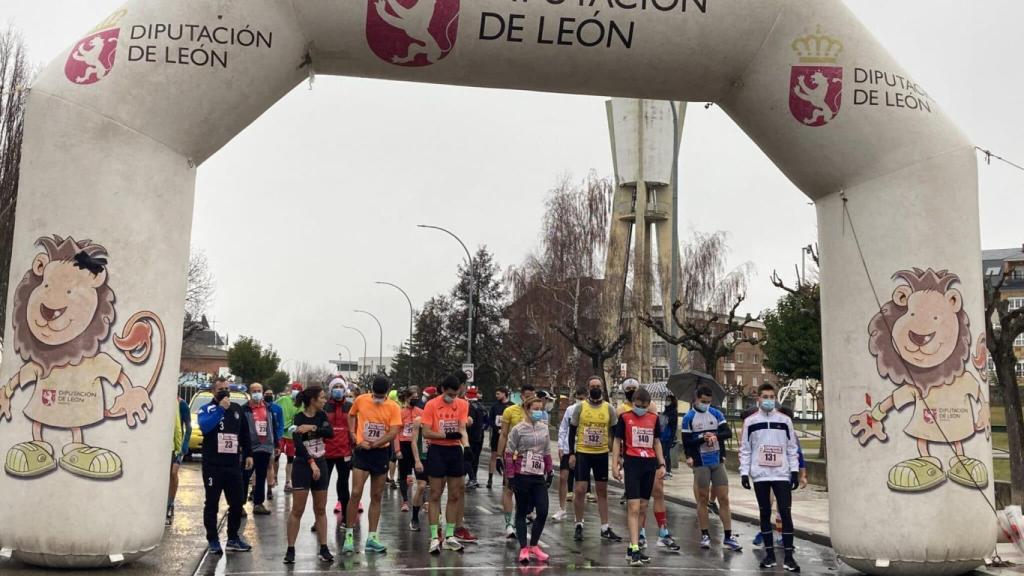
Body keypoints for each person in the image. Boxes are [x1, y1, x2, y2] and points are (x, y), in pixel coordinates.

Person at [740, 383, 801, 573]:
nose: (768, 400)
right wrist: (744, 472)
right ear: (758, 398)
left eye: (771, 396)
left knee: (785, 512)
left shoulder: (785, 420)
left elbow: (792, 448)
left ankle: (789, 557)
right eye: (765, 396)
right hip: (760, 475)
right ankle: (769, 555)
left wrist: (795, 471)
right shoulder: (750, 422)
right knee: (764, 513)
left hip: (781, 474)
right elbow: (745, 449)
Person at [344, 375, 402, 555]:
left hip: (379, 452)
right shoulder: (361, 400)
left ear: (386, 393)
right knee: (355, 493)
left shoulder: (393, 406)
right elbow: (351, 414)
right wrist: (354, 435)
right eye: (375, 395)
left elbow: (393, 432)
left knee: (376, 496)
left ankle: (372, 537)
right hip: (362, 451)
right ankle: (349, 536)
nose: (377, 398)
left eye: (380, 396)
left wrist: (375, 444)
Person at [682, 385, 742, 551]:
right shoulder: (689, 417)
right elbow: (687, 442)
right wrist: (702, 438)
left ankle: (728, 536)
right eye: (703, 401)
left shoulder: (716, 413)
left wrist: (715, 436)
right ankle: (705, 534)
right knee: (702, 499)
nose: (706, 404)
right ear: (696, 399)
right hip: (701, 463)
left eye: (708, 402)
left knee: (724, 498)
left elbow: (727, 433)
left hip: (717, 461)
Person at [198, 377, 253, 554]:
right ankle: (213, 539)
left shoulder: (237, 409)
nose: (224, 391)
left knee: (237, 502)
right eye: (220, 389)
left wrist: (248, 454)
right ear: (213, 392)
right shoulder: (207, 409)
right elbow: (205, 427)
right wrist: (221, 409)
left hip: (233, 465)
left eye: (227, 388)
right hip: (213, 465)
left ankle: (233, 538)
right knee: (212, 502)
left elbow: (245, 433)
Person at [612, 388, 665, 566]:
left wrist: (662, 463)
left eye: (644, 406)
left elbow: (656, 442)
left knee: (643, 506)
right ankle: (635, 548)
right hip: (632, 463)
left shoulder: (653, 419)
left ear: (648, 405)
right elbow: (617, 441)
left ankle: (632, 546)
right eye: (637, 405)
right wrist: (614, 465)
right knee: (633, 506)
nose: (640, 409)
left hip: (649, 464)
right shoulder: (625, 418)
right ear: (632, 403)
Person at [284, 386, 334, 564]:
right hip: (303, 465)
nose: (324, 400)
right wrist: (311, 463)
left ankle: (323, 547)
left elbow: (329, 433)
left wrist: (312, 427)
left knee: (320, 509)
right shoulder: (298, 417)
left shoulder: (322, 416)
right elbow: (298, 445)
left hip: (321, 463)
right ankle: (290, 549)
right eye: (321, 397)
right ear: (312, 399)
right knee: (298, 509)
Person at [421, 374, 471, 553]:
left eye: (455, 394)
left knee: (455, 494)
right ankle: (435, 536)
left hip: (455, 451)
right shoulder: (431, 405)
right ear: (442, 390)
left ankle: (450, 535)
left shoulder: (463, 404)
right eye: (449, 393)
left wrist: (467, 446)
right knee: (435, 494)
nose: (452, 397)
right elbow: (426, 432)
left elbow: (462, 428)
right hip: (437, 451)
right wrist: (445, 436)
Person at [569, 376, 622, 543]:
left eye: (598, 386)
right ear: (588, 388)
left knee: (601, 491)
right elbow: (572, 431)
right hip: (583, 452)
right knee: (580, 489)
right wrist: (571, 453)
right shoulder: (580, 408)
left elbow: (616, 434)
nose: (596, 388)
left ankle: (605, 527)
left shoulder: (609, 409)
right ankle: (578, 523)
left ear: (602, 389)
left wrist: (618, 455)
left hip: (601, 453)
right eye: (593, 386)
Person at [505, 395, 553, 565]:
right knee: (522, 511)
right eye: (535, 409)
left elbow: (547, 451)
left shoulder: (544, 428)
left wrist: (550, 470)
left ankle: (534, 546)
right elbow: (509, 453)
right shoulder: (518, 429)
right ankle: (524, 548)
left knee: (543, 510)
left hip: (538, 475)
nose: (538, 412)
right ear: (527, 409)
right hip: (522, 474)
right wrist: (510, 476)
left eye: (541, 409)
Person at [495, 383, 537, 539]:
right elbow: (504, 434)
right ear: (521, 396)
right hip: (512, 456)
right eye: (527, 395)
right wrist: (499, 456)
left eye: (533, 396)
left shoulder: (537, 412)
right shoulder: (510, 411)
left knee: (525, 491)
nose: (530, 398)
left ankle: (520, 519)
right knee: (509, 488)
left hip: (530, 457)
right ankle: (509, 524)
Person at [242, 382, 279, 516]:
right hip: (250, 448)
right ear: (250, 393)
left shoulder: (268, 408)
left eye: (259, 390)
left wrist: (277, 445)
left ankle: (258, 504)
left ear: (262, 392)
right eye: (254, 391)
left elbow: (273, 427)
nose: (257, 393)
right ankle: (239, 505)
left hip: (265, 447)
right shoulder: (244, 409)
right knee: (245, 476)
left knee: (261, 475)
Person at [554, 386, 587, 521]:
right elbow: (563, 428)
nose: (580, 401)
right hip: (568, 448)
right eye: (578, 398)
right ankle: (562, 509)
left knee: (580, 483)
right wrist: (561, 446)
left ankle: (579, 513)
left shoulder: (588, 411)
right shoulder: (570, 410)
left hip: (583, 449)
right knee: (563, 477)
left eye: (582, 398)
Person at [324, 380, 353, 521]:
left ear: (345, 389)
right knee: (322, 487)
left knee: (343, 485)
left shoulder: (350, 407)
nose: (338, 389)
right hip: (325, 453)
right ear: (330, 390)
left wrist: (354, 450)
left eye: (341, 387)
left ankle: (346, 518)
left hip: (344, 452)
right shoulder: (324, 406)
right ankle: (319, 520)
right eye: (335, 387)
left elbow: (355, 429)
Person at [397, 388, 423, 512]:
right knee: (403, 474)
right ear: (407, 398)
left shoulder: (421, 412)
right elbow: (396, 433)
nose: (415, 399)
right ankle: (405, 501)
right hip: (404, 445)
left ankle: (423, 501)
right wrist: (397, 450)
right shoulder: (401, 413)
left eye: (417, 397)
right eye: (413, 397)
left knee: (420, 474)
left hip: (417, 446)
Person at [167, 395, 191, 525]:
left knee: (173, 474)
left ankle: (170, 504)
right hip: (162, 447)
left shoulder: (182, 404)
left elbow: (189, 428)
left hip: (176, 448)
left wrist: (182, 450)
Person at [276, 382, 303, 492]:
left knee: (291, 459)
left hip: (293, 435)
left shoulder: (302, 404)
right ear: (291, 390)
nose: (295, 391)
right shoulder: (283, 399)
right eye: (294, 389)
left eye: (298, 389)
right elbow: (273, 408)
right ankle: (274, 477)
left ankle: (288, 481)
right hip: (281, 433)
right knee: (276, 456)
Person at [487, 387, 514, 489]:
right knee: (494, 455)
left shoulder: (512, 406)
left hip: (508, 435)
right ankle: (490, 478)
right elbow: (490, 420)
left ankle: (505, 478)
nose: (496, 396)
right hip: (496, 434)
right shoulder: (495, 406)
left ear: (504, 394)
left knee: (507, 457)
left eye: (498, 394)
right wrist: (496, 429)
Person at [465, 386, 487, 489]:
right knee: (475, 459)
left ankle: (472, 478)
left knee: (466, 458)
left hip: (470, 436)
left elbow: (469, 422)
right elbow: (486, 422)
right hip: (480, 436)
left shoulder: (469, 406)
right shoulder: (481, 406)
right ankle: (473, 478)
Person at [265, 390, 284, 500]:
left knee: (270, 464)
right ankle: (254, 489)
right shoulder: (259, 408)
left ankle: (269, 488)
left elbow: (280, 425)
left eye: (270, 394)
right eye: (266, 394)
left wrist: (277, 439)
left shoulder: (277, 409)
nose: (268, 396)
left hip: (272, 441)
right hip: (258, 442)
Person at [659, 394, 679, 477]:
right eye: (666, 400)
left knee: (666, 453)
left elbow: (672, 425)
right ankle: (664, 468)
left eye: (668, 400)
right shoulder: (666, 411)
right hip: (663, 435)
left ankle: (668, 470)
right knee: (663, 453)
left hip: (668, 436)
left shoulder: (673, 412)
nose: (667, 402)